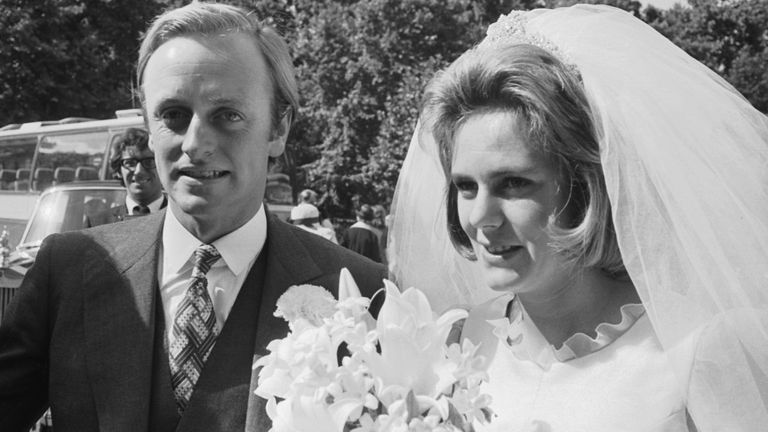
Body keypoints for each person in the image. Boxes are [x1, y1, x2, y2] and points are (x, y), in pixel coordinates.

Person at [0, 3, 385, 432]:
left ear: (278, 129)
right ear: (149, 126)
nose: (195, 144)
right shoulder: (68, 271)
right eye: (174, 116)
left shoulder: (360, 295)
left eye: (227, 116)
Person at [389, 5, 768, 431]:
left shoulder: (699, 352)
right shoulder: (456, 342)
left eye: (514, 183)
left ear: (585, 186)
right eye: (465, 186)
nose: (481, 217)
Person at [86, 127, 166, 227]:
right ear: (119, 171)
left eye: (149, 161)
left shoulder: (184, 219)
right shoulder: (97, 224)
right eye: (130, 163)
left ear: (162, 167)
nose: (139, 171)